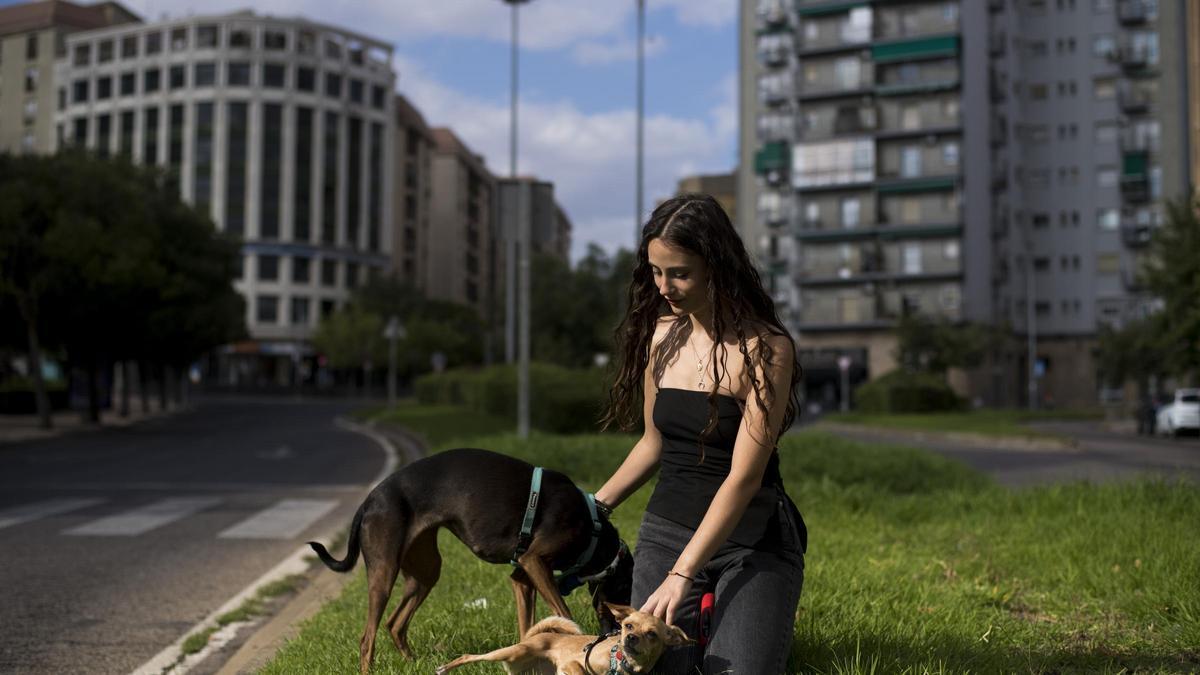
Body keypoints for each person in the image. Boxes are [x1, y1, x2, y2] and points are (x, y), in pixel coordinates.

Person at [594, 194, 807, 674]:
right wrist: (593, 509)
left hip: (750, 540)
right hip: (667, 529)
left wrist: (682, 574)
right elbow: (653, 443)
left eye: (680, 273)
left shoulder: (767, 349)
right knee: (659, 668)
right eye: (656, 272)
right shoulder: (661, 337)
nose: (664, 286)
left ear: (717, 268)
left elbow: (744, 478)